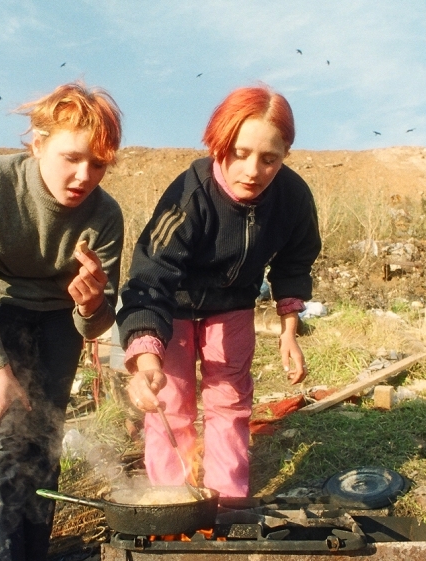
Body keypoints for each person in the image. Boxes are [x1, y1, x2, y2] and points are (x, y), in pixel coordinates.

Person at [118, 84, 321, 498]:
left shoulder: (292, 198)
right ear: (218, 145)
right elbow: (151, 273)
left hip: (233, 306)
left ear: (285, 155)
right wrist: (145, 354)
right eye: (240, 153)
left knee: (229, 405)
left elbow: (293, 264)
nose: (252, 171)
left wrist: (288, 333)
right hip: (170, 308)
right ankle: (171, 503)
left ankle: (227, 504)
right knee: (169, 404)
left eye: (270, 159)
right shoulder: (190, 195)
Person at [0, 82, 124, 560]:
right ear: (38, 144)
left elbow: (97, 325)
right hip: (5, 310)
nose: (83, 176)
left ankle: (34, 552)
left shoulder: (106, 215)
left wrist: (90, 306)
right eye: (71, 157)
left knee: (44, 442)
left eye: (98, 164)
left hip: (60, 322)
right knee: (4, 438)